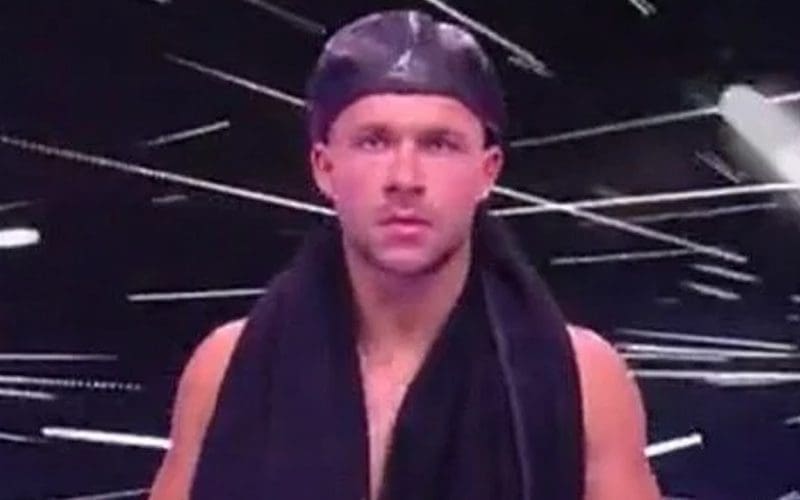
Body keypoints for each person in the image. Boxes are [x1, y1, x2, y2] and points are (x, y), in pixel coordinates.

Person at [149, 10, 661, 500]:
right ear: (324, 167)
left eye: (439, 144)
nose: (405, 178)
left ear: (488, 171)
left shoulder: (583, 381)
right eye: (374, 142)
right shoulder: (225, 370)